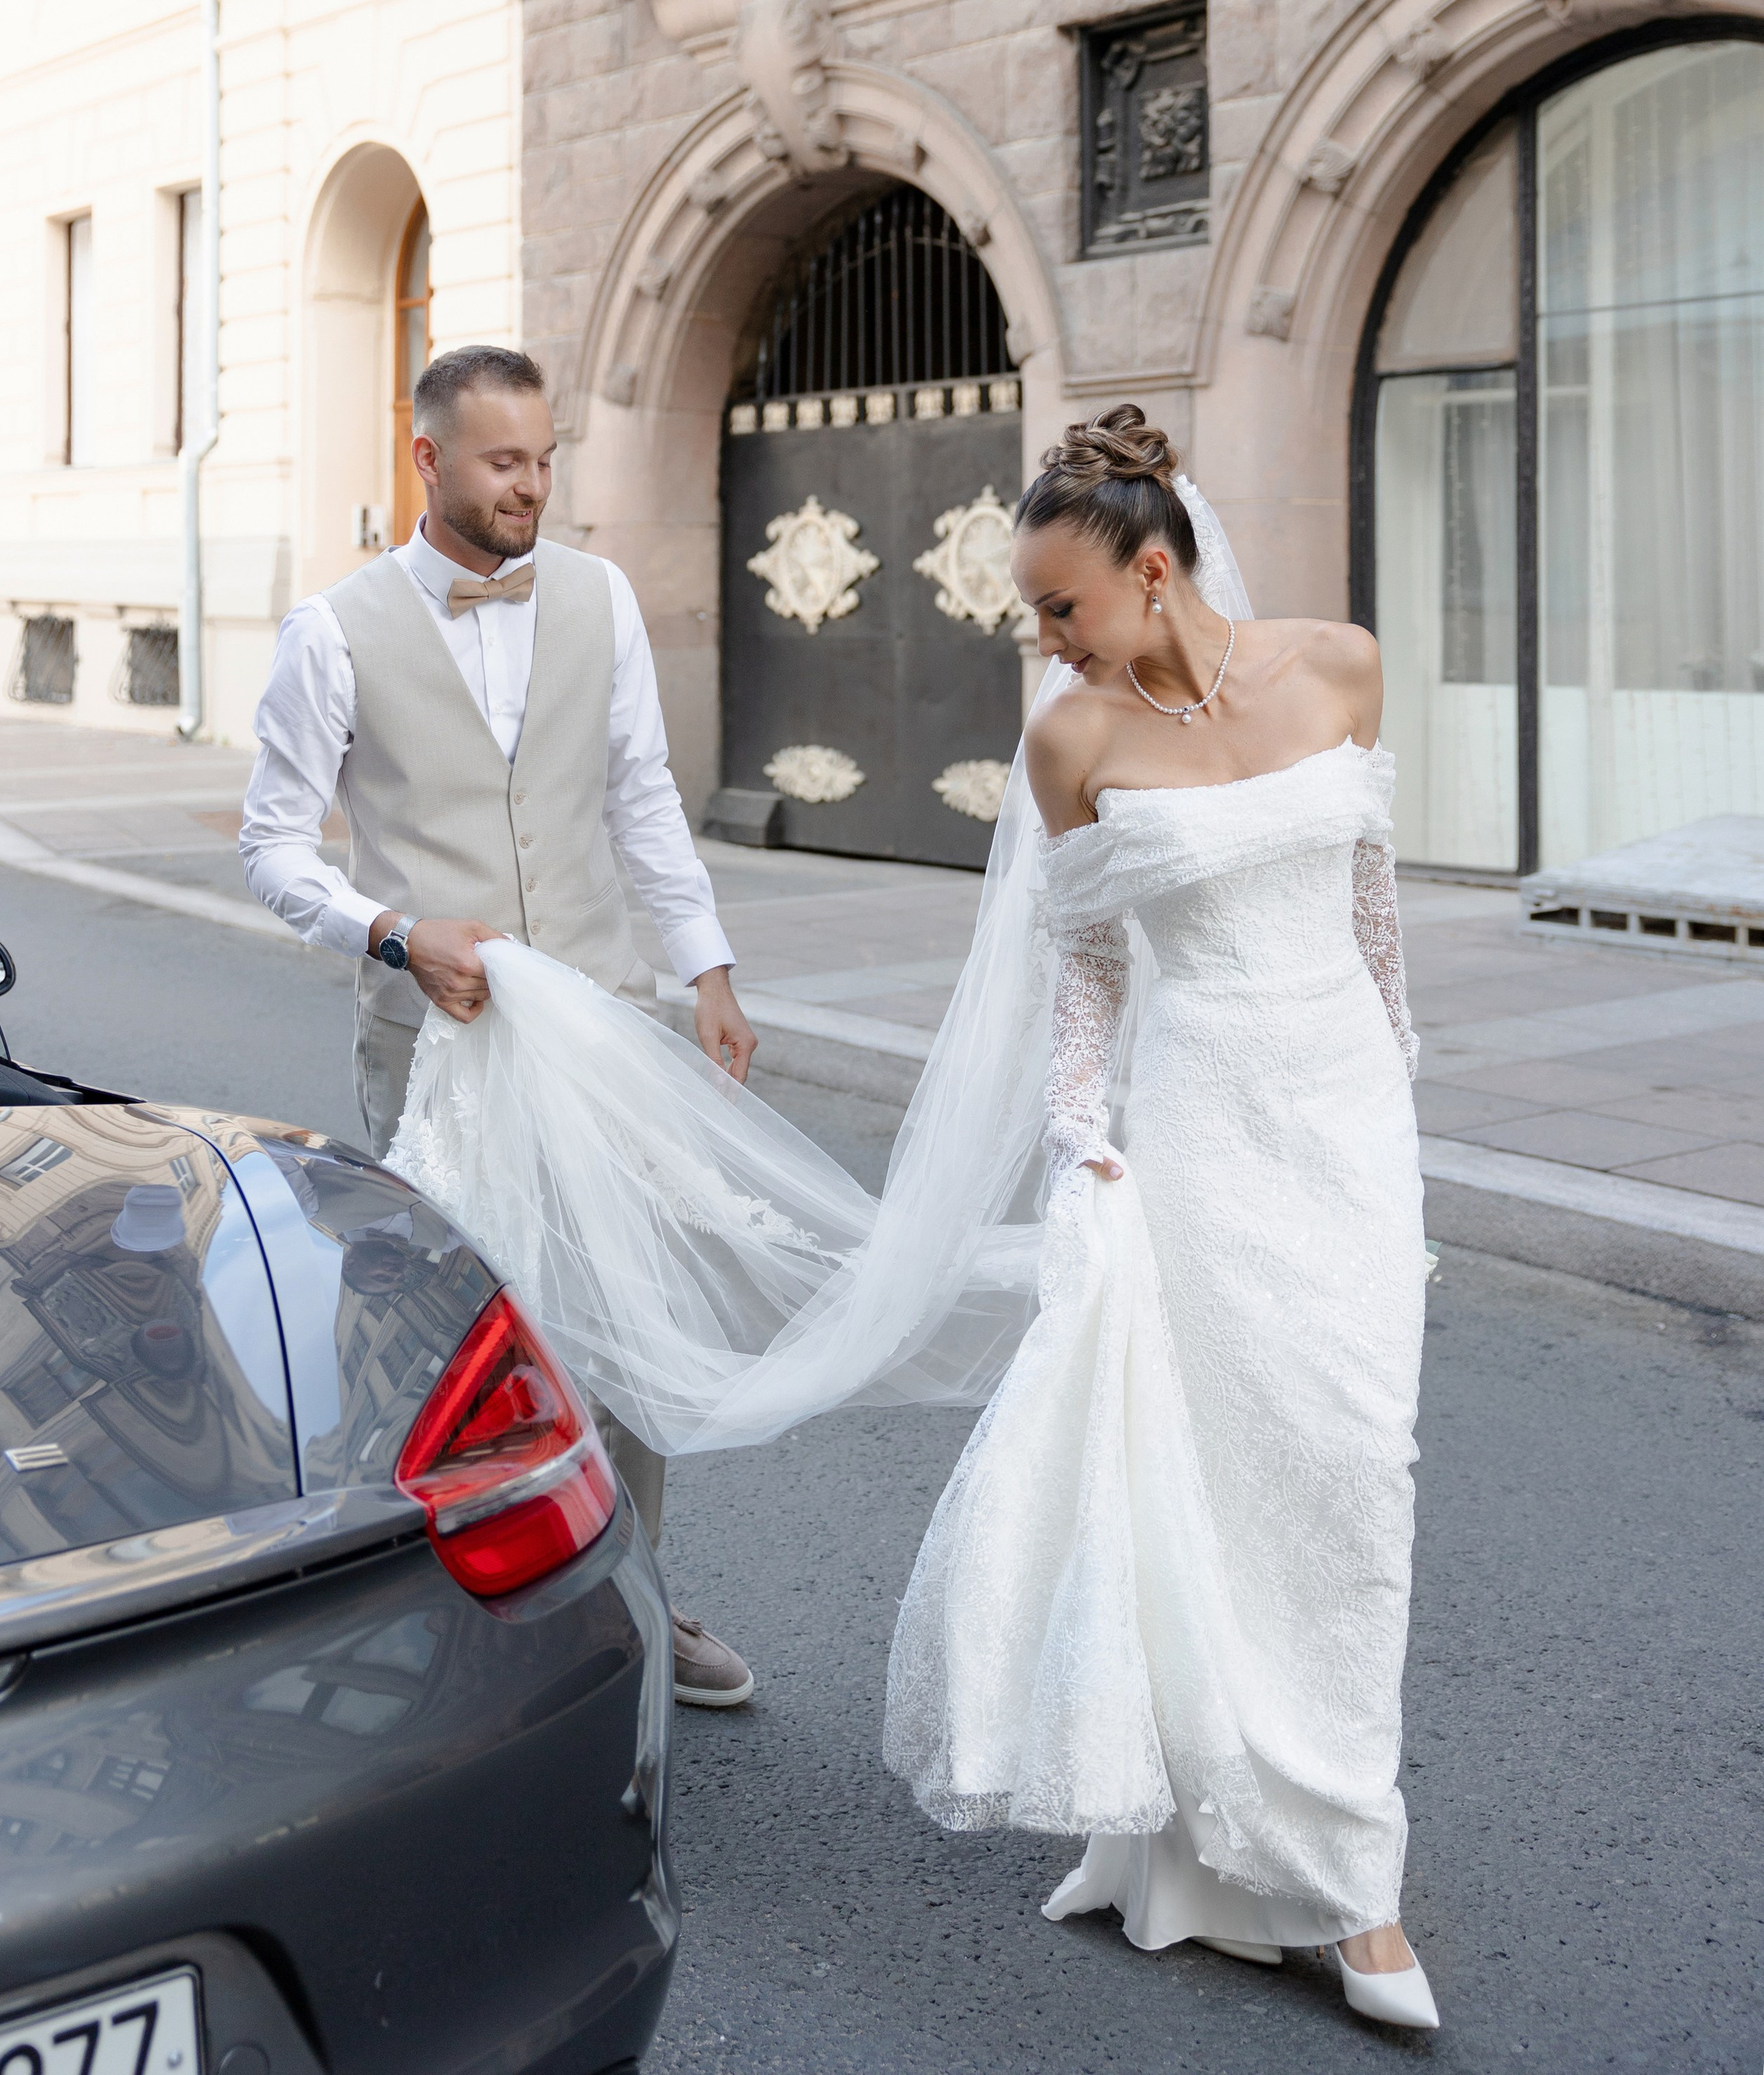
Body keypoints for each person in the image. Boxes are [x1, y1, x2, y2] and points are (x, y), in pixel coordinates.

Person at [882, 409, 1440, 2030]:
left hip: (1338, 1123)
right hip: (1193, 1131)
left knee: (1350, 1476)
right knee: (1218, 1475)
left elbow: (1370, 907)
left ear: (1149, 567)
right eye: (1031, 616)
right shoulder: (1072, 744)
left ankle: (1312, 1837)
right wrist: (1078, 1138)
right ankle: (1339, 1883)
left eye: (1060, 608)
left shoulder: (1335, 666)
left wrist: (1397, 1097)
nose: (1042, 643)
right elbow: (1089, 967)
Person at [239, 339, 758, 1711]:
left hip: (604, 1021)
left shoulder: (597, 596)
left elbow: (643, 796)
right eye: (503, 462)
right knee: (453, 1335)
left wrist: (704, 968)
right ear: (428, 460)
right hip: (433, 1047)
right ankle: (449, 1611)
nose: (532, 486)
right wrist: (399, 935)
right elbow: (274, 848)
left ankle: (633, 1593)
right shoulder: (334, 630)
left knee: (622, 1323)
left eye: (544, 459)